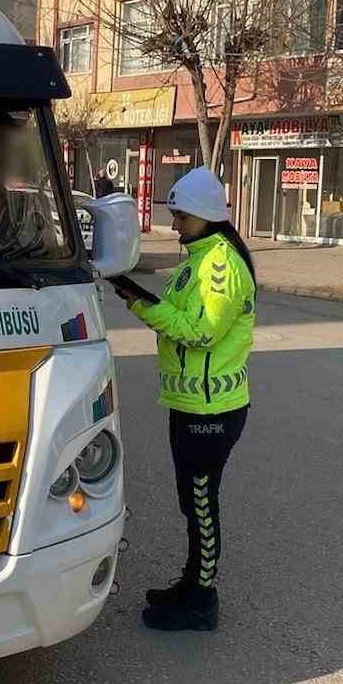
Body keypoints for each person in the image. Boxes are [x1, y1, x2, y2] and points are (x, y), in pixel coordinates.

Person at [118, 166, 256, 633]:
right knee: (189, 500)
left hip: (212, 410)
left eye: (179, 216)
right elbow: (177, 310)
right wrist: (136, 293)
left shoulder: (220, 265)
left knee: (201, 503)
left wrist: (139, 304)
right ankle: (192, 581)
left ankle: (202, 599)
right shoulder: (197, 259)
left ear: (202, 215)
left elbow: (198, 331)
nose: (173, 225)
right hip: (190, 404)